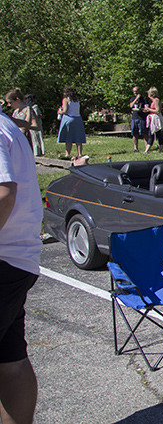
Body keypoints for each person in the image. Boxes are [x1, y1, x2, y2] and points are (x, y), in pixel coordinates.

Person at [0, 109, 44, 424]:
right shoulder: (7, 126)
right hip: (18, 259)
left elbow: (4, 192)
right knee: (11, 359)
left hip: (4, 259)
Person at [56, 87, 86, 159]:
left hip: (69, 118)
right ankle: (80, 153)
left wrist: (59, 112)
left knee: (68, 137)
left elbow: (65, 111)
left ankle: (67, 153)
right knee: (78, 137)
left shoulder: (66, 100)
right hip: (78, 118)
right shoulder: (76, 100)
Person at [143, 87, 163, 154]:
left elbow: (158, 111)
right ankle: (148, 150)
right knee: (153, 134)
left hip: (156, 118)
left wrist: (149, 109)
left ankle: (148, 150)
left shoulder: (156, 100)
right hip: (152, 118)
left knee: (155, 134)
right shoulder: (153, 101)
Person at [129, 86, 149, 153]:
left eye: (136, 91)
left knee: (144, 133)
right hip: (134, 117)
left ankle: (146, 148)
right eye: (134, 91)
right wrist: (136, 99)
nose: (135, 92)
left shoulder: (144, 98)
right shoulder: (132, 99)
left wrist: (142, 109)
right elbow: (131, 106)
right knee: (134, 133)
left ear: (139, 91)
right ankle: (135, 148)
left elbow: (147, 107)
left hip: (142, 118)